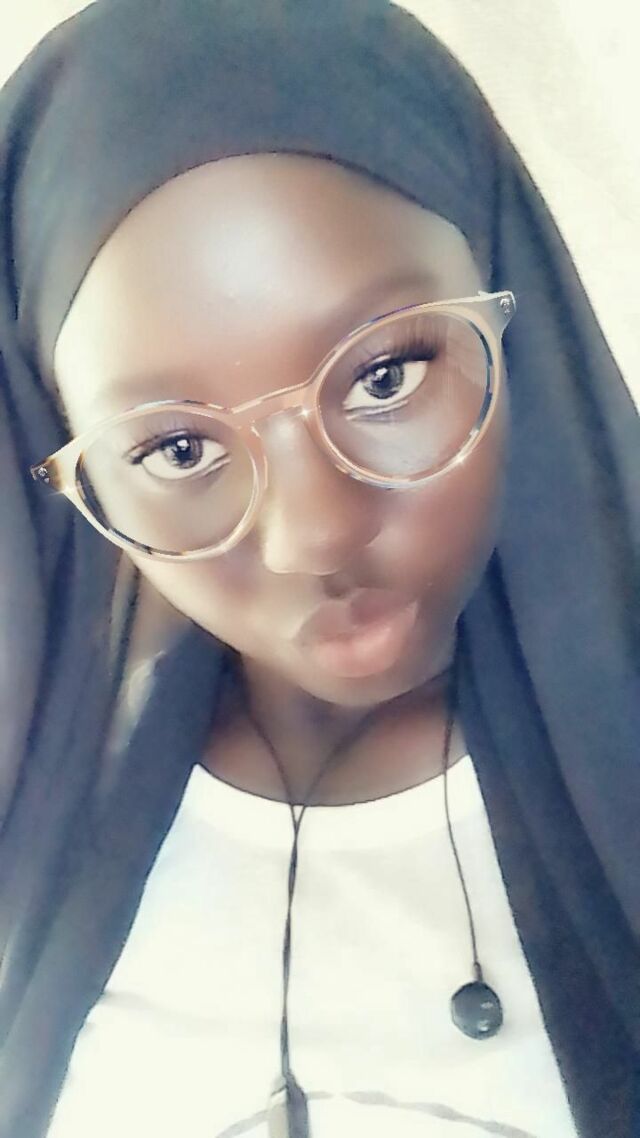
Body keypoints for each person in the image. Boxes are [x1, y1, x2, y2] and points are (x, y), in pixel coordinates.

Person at [0, 1, 638, 1135]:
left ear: (510, 314)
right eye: (177, 448)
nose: (317, 534)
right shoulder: (35, 824)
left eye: (386, 375)